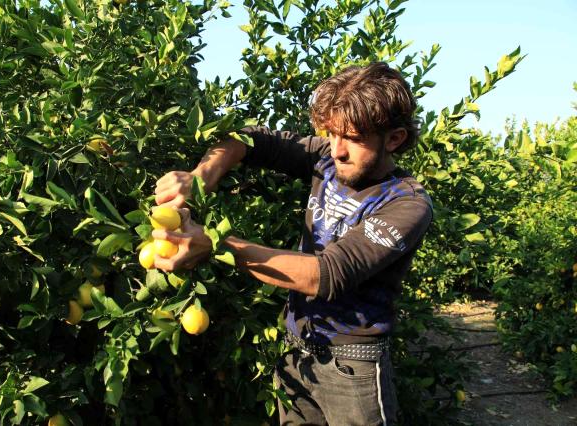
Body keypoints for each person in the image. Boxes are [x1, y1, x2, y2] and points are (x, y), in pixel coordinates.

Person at [152, 62, 432, 426]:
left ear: (394, 139)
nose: (337, 150)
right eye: (331, 134)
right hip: (296, 352)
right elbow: (249, 140)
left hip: (353, 366)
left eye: (354, 138)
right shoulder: (326, 159)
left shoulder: (406, 203)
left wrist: (216, 244)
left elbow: (327, 274)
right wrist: (200, 177)